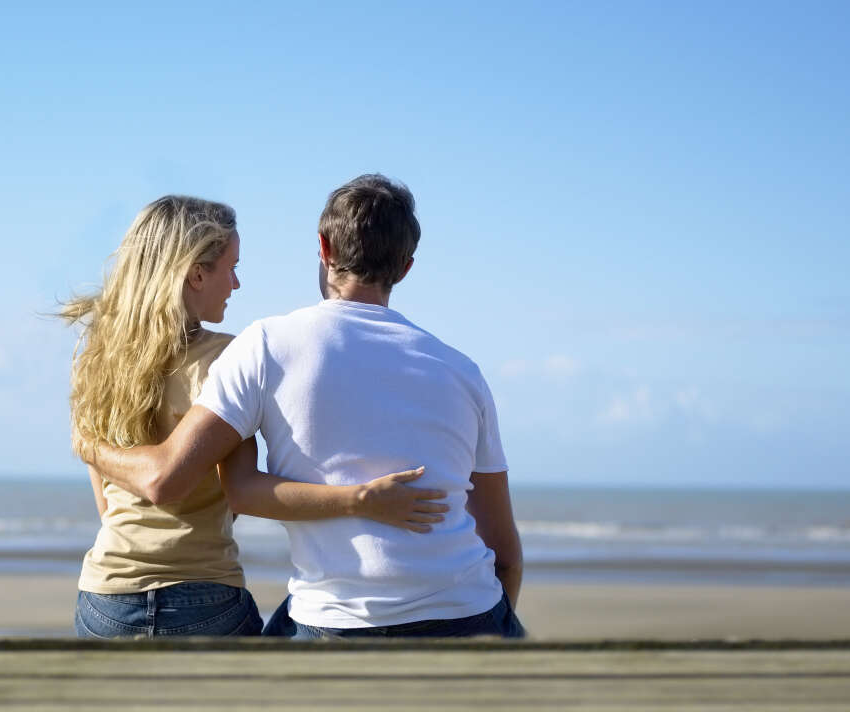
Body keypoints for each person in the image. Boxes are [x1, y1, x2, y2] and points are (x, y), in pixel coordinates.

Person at [81, 176, 525, 639]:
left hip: (329, 623)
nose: (236, 281)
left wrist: (89, 447)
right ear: (406, 267)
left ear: (324, 247)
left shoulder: (264, 346)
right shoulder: (463, 371)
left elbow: (225, 489)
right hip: (470, 612)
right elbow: (505, 553)